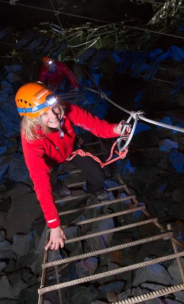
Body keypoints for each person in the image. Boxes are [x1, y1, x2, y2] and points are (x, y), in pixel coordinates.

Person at [16, 81, 130, 250]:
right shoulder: (31, 139)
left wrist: (116, 130)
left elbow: (95, 125)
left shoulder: (66, 109)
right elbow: (40, 182)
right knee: (51, 183)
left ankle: (95, 189)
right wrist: (54, 225)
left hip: (72, 149)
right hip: (50, 162)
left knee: (98, 174)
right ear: (32, 119)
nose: (54, 115)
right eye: (44, 114)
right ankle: (59, 187)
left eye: (53, 108)